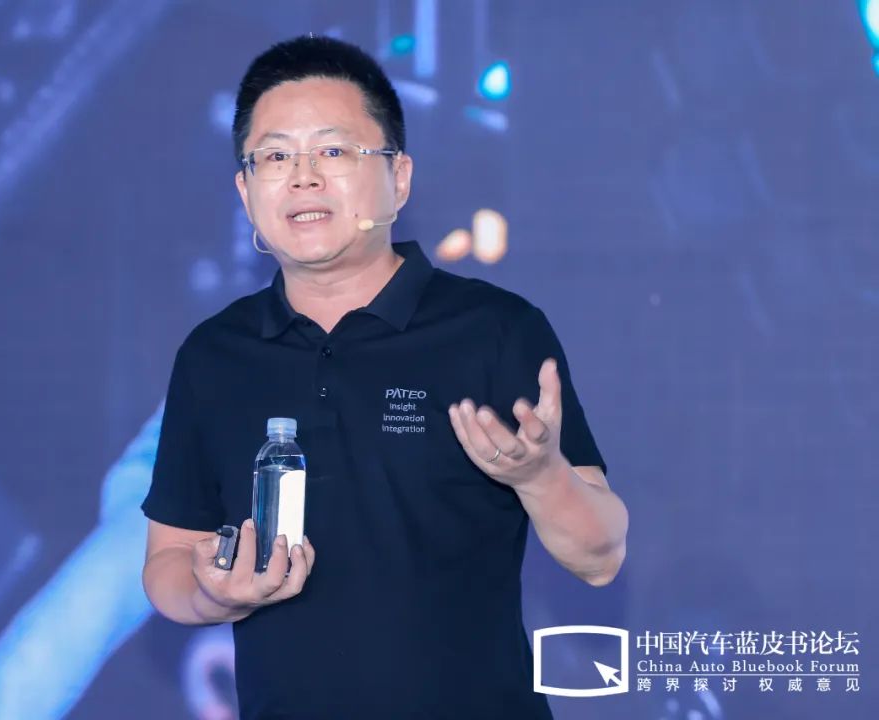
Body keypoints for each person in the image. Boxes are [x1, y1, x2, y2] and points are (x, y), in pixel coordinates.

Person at [141, 35, 628, 720]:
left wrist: (542, 476)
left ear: (399, 178)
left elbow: (600, 557)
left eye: (334, 152)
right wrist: (212, 595)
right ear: (246, 191)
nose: (303, 178)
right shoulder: (214, 356)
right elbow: (167, 562)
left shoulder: (494, 330)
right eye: (275, 157)